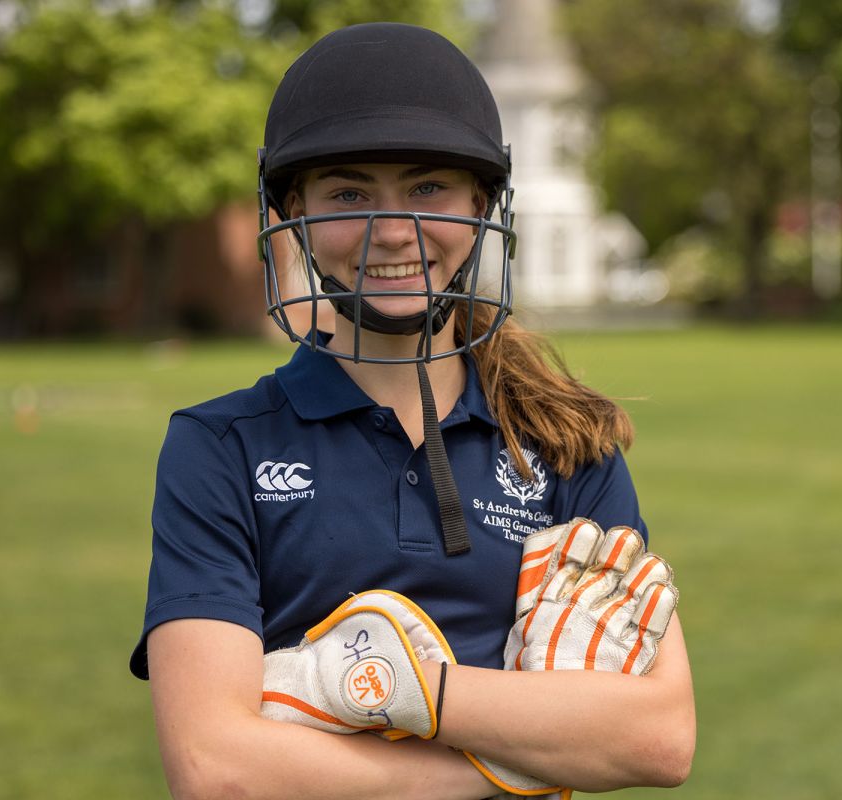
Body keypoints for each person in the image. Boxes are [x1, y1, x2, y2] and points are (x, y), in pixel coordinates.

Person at [131, 22, 695, 800]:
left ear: (483, 205)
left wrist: (405, 689)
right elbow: (216, 770)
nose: (392, 231)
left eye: (428, 188)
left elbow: (658, 739)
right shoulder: (220, 447)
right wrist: (520, 758)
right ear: (288, 211)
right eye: (348, 193)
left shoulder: (565, 442)